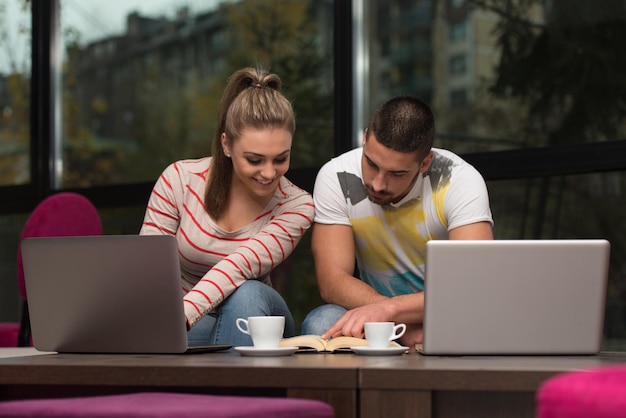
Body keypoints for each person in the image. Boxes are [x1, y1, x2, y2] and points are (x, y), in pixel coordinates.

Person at [301, 95, 493, 350]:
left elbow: (471, 286)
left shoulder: (458, 181)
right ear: (365, 137)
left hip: (449, 314)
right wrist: (393, 319)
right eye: (371, 163)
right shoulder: (338, 177)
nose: (378, 183)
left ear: (425, 163)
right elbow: (332, 281)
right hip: (376, 320)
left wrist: (391, 310)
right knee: (321, 322)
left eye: (397, 173)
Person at [140, 67, 315, 347]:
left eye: (281, 158)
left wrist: (177, 319)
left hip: (257, 316)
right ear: (226, 145)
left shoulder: (297, 205)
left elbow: (238, 265)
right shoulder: (179, 180)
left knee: (246, 293)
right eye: (255, 160)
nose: (269, 173)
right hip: (187, 319)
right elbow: (147, 269)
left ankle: (233, 390)